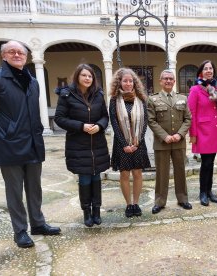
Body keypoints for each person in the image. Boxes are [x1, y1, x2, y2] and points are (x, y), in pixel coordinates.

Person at [0, 40, 60, 248]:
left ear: (26, 56)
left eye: (20, 52)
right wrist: (2, 132)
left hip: (33, 141)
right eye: (11, 52)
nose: (17, 55)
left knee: (35, 187)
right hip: (9, 144)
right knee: (14, 190)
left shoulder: (33, 82)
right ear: (4, 56)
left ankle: (38, 223)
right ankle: (20, 231)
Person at [54, 64, 110, 227]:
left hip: (97, 144)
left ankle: (97, 211)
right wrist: (81, 126)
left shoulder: (98, 95)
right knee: (85, 177)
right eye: (84, 75)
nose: (87, 78)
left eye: (90, 76)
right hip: (78, 144)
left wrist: (99, 126)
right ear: (77, 76)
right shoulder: (66, 95)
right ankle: (87, 212)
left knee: (96, 176)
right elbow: (59, 118)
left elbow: (105, 117)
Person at [147, 70, 192, 214]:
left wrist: (180, 134)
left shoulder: (182, 98)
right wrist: (164, 136)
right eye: (165, 78)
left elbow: (188, 119)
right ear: (160, 81)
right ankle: (159, 202)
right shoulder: (153, 99)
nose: (168, 81)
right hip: (162, 143)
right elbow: (151, 120)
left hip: (179, 142)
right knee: (161, 173)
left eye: (171, 79)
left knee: (180, 171)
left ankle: (183, 199)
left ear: (174, 81)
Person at [109, 68, 150, 218]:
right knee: (125, 174)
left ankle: (136, 203)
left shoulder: (141, 99)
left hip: (138, 143)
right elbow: (114, 122)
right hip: (121, 144)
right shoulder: (114, 100)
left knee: (138, 173)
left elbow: (145, 121)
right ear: (119, 82)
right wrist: (124, 144)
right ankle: (128, 204)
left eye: (130, 81)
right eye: (125, 81)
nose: (128, 83)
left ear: (134, 83)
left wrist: (137, 142)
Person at [188, 60, 217, 206]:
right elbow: (191, 112)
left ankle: (209, 191)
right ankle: (203, 192)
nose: (208, 71)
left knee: (212, 162)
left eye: (210, 68)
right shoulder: (195, 89)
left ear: (213, 71)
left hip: (215, 130)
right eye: (205, 68)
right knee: (206, 163)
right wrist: (193, 134)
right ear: (201, 72)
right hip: (203, 131)